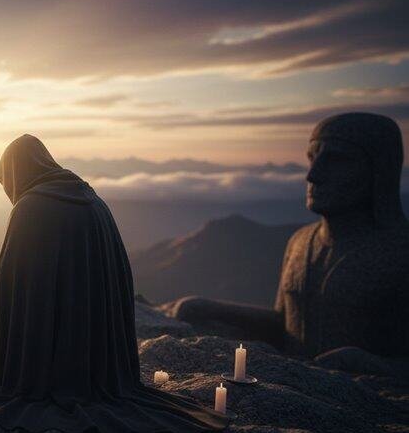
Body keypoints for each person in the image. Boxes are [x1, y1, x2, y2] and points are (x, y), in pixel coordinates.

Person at [0, 135, 226, 433]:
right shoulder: (89, 195)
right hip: (97, 334)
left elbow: (14, 280)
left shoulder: (29, 207)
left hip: (50, 346)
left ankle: (16, 377)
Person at [173, 112, 408, 360]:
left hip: (356, 395)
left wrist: (365, 363)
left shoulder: (401, 251)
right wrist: (204, 309)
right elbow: (286, 324)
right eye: (312, 159)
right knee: (193, 308)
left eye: (336, 160)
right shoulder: (301, 242)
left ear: (378, 171)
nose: (313, 175)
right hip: (295, 380)